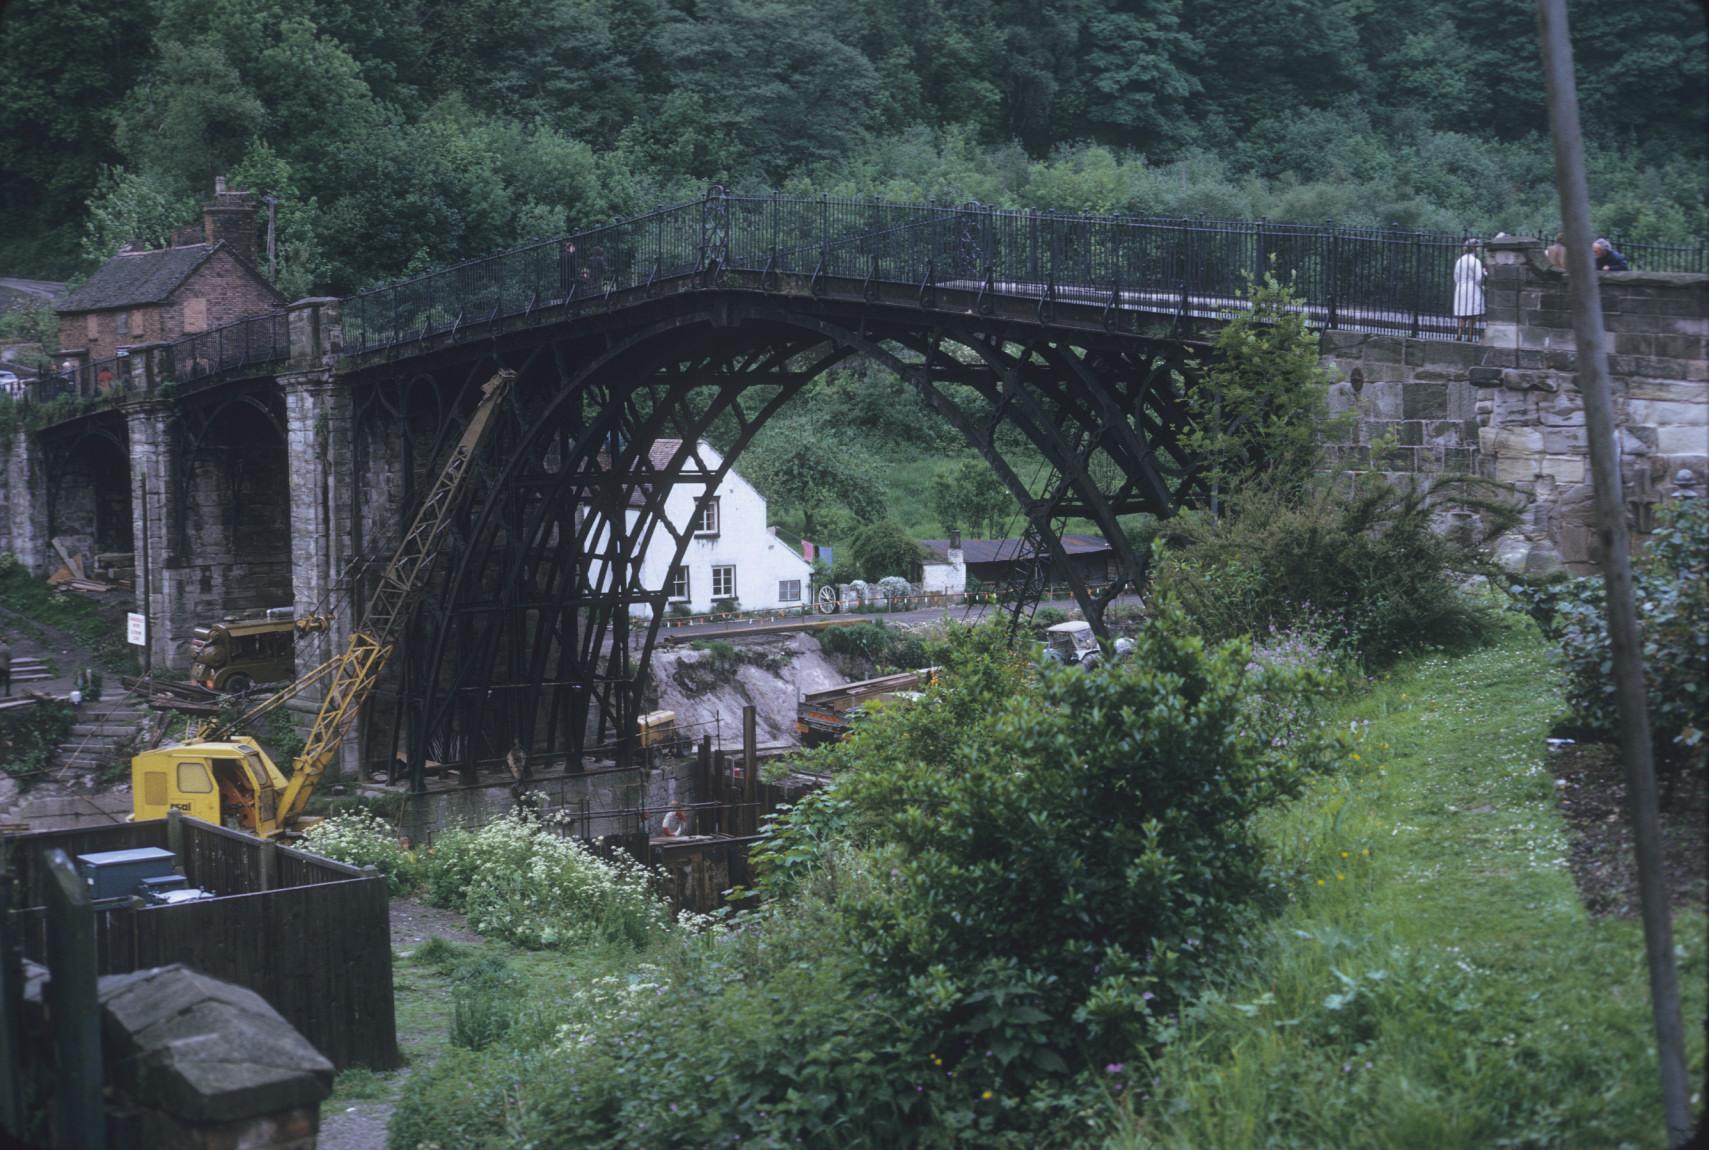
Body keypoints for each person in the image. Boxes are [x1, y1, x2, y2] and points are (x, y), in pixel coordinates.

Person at [1452, 239, 1488, 341]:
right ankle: (1470, 336)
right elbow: (1478, 278)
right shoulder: (1476, 261)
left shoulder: (1459, 261)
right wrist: (1484, 275)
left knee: (1462, 313)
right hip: (1472, 289)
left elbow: (1456, 276)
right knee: (1472, 314)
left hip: (1461, 288)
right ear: (1475, 249)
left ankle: (1459, 334)